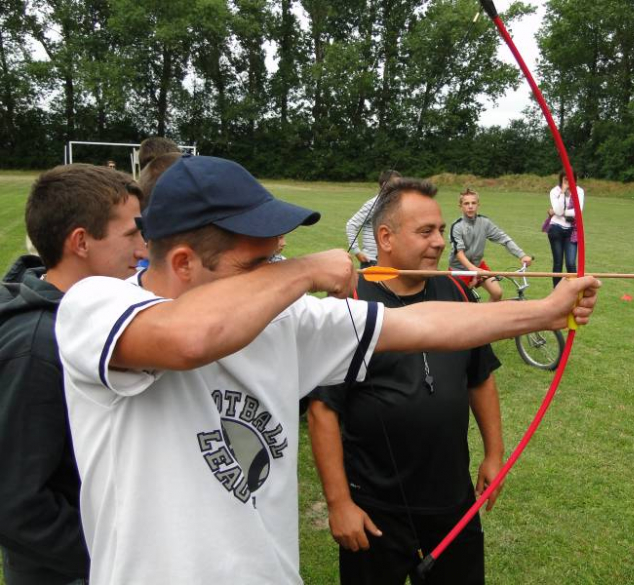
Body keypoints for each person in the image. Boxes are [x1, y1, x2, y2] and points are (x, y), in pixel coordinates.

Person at [55, 155, 600, 584]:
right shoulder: (96, 307)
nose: (277, 267)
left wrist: (543, 312)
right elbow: (189, 338)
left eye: (279, 255)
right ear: (181, 264)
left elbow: (421, 324)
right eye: (259, 262)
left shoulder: (283, 320)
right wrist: (304, 269)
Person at [309, 178, 505, 585]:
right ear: (386, 237)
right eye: (425, 232)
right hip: (375, 508)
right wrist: (339, 503)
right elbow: (322, 409)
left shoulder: (455, 290)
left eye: (439, 229)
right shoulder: (350, 301)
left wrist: (494, 453)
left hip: (453, 500)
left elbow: (480, 377)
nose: (438, 242)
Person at [0, 164, 147, 585]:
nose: (143, 249)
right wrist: (112, 557)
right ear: (81, 242)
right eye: (132, 234)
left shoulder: (90, 320)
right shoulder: (38, 344)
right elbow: (17, 501)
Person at [448, 188, 533, 302]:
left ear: (478, 205)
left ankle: (485, 317)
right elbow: (459, 253)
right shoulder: (457, 226)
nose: (470, 206)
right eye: (466, 203)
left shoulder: (484, 222)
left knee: (497, 293)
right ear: (461, 206)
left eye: (473, 203)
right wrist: (473, 270)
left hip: (478, 265)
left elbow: (504, 238)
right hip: (460, 269)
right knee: (463, 302)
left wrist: (522, 255)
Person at [346, 169, 401, 268]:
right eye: (396, 185)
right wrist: (357, 251)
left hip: (390, 261)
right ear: (385, 185)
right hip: (371, 261)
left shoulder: (397, 205)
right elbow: (351, 225)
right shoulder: (373, 204)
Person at [547, 171, 585, 288]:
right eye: (565, 180)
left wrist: (558, 212)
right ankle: (556, 293)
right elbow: (558, 211)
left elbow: (577, 212)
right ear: (561, 180)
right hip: (556, 229)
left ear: (575, 180)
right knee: (558, 263)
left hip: (572, 231)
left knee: (571, 263)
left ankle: (573, 291)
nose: (567, 183)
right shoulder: (555, 191)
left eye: (570, 180)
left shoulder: (579, 191)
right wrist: (562, 193)